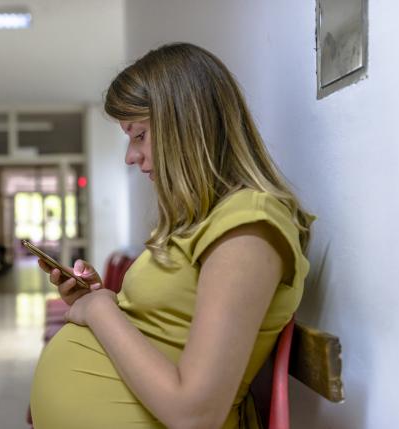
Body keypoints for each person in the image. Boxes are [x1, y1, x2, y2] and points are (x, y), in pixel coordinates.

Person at [29, 43, 314, 429]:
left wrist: (99, 311)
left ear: (188, 124)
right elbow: (166, 330)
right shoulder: (204, 220)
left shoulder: (249, 228)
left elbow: (194, 414)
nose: (130, 157)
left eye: (140, 135)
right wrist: (99, 300)